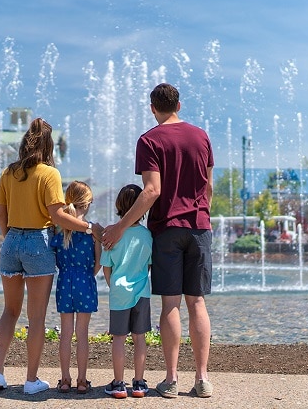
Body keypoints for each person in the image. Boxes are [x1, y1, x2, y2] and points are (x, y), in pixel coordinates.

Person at [102, 83, 215, 399]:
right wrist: (202, 214)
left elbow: (151, 191)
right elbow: (207, 187)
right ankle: (203, 378)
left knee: (171, 303)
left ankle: (171, 379)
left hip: (166, 229)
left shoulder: (149, 140)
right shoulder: (202, 137)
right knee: (197, 302)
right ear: (180, 104)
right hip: (199, 227)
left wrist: (121, 227)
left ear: (153, 108)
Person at [0, 117, 103, 395]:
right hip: (37, 243)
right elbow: (57, 215)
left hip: (11, 240)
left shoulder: (8, 173)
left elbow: (1, 213)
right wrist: (90, 227)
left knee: (10, 311)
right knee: (36, 316)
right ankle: (31, 381)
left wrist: (10, 238)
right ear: (49, 144)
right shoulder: (49, 174)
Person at [101, 184, 153, 399]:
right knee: (139, 338)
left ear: (118, 205)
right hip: (142, 291)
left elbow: (106, 267)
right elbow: (149, 265)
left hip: (119, 292)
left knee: (119, 339)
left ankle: (119, 384)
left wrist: (113, 286)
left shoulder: (113, 234)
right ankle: (139, 383)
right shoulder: (147, 235)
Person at [50, 181, 101, 394]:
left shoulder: (58, 231)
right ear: (87, 204)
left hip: (64, 283)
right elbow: (98, 265)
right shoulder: (92, 232)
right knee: (82, 334)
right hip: (85, 282)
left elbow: (54, 259)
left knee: (65, 334)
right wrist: (86, 274)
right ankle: (81, 380)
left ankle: (64, 380)